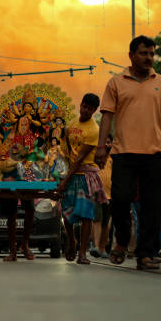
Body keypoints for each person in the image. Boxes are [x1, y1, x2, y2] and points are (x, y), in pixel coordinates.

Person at [95, 35, 161, 271]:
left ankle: (146, 254)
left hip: (154, 154)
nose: (149, 58)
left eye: (152, 53)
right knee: (120, 200)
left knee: (153, 206)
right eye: (143, 53)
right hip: (123, 153)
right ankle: (121, 240)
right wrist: (101, 148)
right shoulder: (116, 82)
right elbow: (107, 116)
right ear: (131, 55)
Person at [56, 93, 106, 265]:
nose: (85, 110)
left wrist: (64, 181)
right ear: (81, 104)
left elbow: (79, 158)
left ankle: (82, 253)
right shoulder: (71, 124)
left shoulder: (94, 130)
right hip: (70, 172)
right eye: (84, 106)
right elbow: (65, 150)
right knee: (66, 213)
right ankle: (72, 241)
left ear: (94, 110)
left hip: (85, 176)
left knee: (86, 215)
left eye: (90, 109)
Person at [90, 134, 113, 258]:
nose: (107, 145)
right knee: (97, 220)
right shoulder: (96, 157)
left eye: (109, 142)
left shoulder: (113, 157)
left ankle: (102, 248)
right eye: (106, 142)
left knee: (106, 223)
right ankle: (96, 246)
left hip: (110, 195)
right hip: (98, 193)